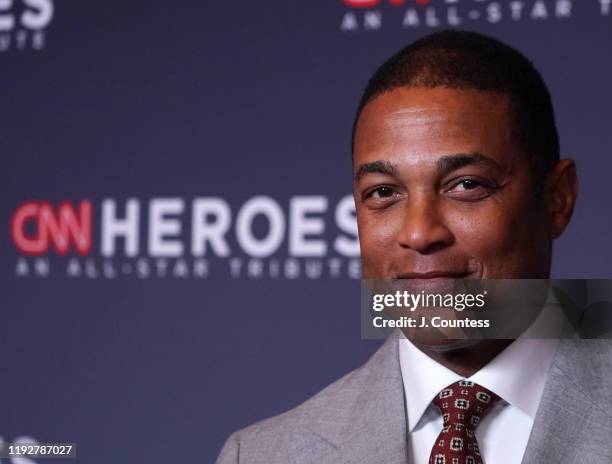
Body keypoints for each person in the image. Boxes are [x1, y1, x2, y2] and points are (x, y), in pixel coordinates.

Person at [216, 30, 612, 464]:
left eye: (466, 184)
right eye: (383, 192)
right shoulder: (259, 455)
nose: (420, 233)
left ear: (557, 198)